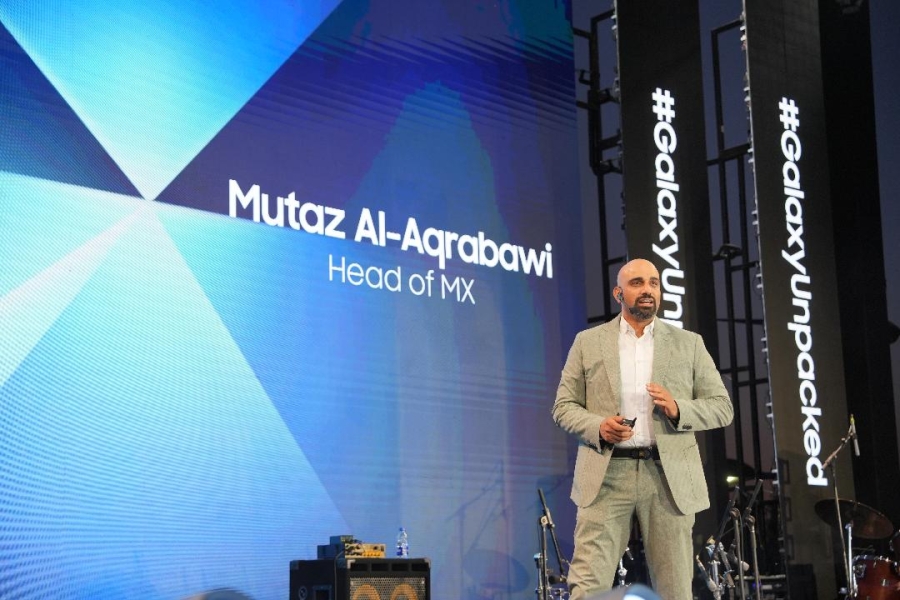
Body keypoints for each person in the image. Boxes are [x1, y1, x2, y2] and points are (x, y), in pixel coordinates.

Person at [552, 258, 733, 600]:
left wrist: (679, 409)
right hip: (606, 474)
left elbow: (722, 407)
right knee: (587, 587)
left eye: (654, 282)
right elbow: (563, 407)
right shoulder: (588, 342)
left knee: (675, 590)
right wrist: (598, 426)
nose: (647, 289)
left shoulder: (689, 343)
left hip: (667, 476)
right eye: (637, 283)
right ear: (618, 293)